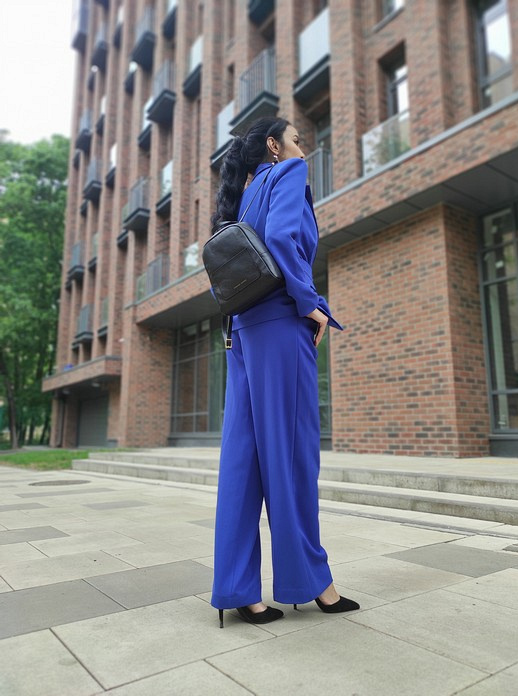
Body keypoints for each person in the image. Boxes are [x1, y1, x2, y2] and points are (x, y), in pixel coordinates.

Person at [210, 117, 360, 628]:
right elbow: (280, 236)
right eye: (297, 139)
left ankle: (238, 590)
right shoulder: (289, 172)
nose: (303, 148)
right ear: (274, 146)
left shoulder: (245, 194)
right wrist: (309, 301)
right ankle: (312, 583)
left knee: (242, 464)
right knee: (293, 459)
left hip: (243, 335)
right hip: (279, 328)